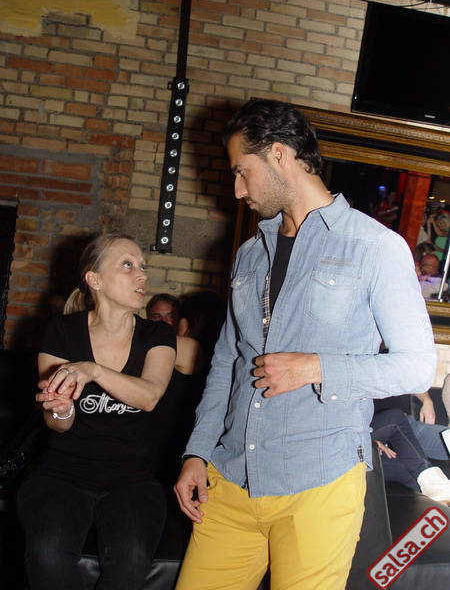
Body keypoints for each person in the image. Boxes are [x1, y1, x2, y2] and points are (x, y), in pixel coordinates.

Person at [173, 99, 436, 590]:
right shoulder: (250, 254)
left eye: (242, 172)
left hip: (319, 483)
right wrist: (197, 452)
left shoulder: (375, 247)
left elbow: (417, 366)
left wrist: (316, 367)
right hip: (230, 479)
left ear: (278, 154)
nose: (238, 190)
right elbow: (228, 363)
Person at [16, 233, 176, 590]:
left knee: (131, 559)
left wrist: (94, 370)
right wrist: (61, 409)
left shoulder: (157, 336)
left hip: (132, 479)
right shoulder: (62, 331)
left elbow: (149, 395)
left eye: (142, 266)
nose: (142, 275)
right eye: (127, 265)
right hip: (62, 474)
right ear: (95, 279)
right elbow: (58, 424)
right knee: (48, 554)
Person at [371, 407, 450, 503]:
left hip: (406, 425)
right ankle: (435, 489)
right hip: (367, 438)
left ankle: (436, 492)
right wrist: (368, 443)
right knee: (395, 418)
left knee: (413, 469)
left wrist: (427, 400)